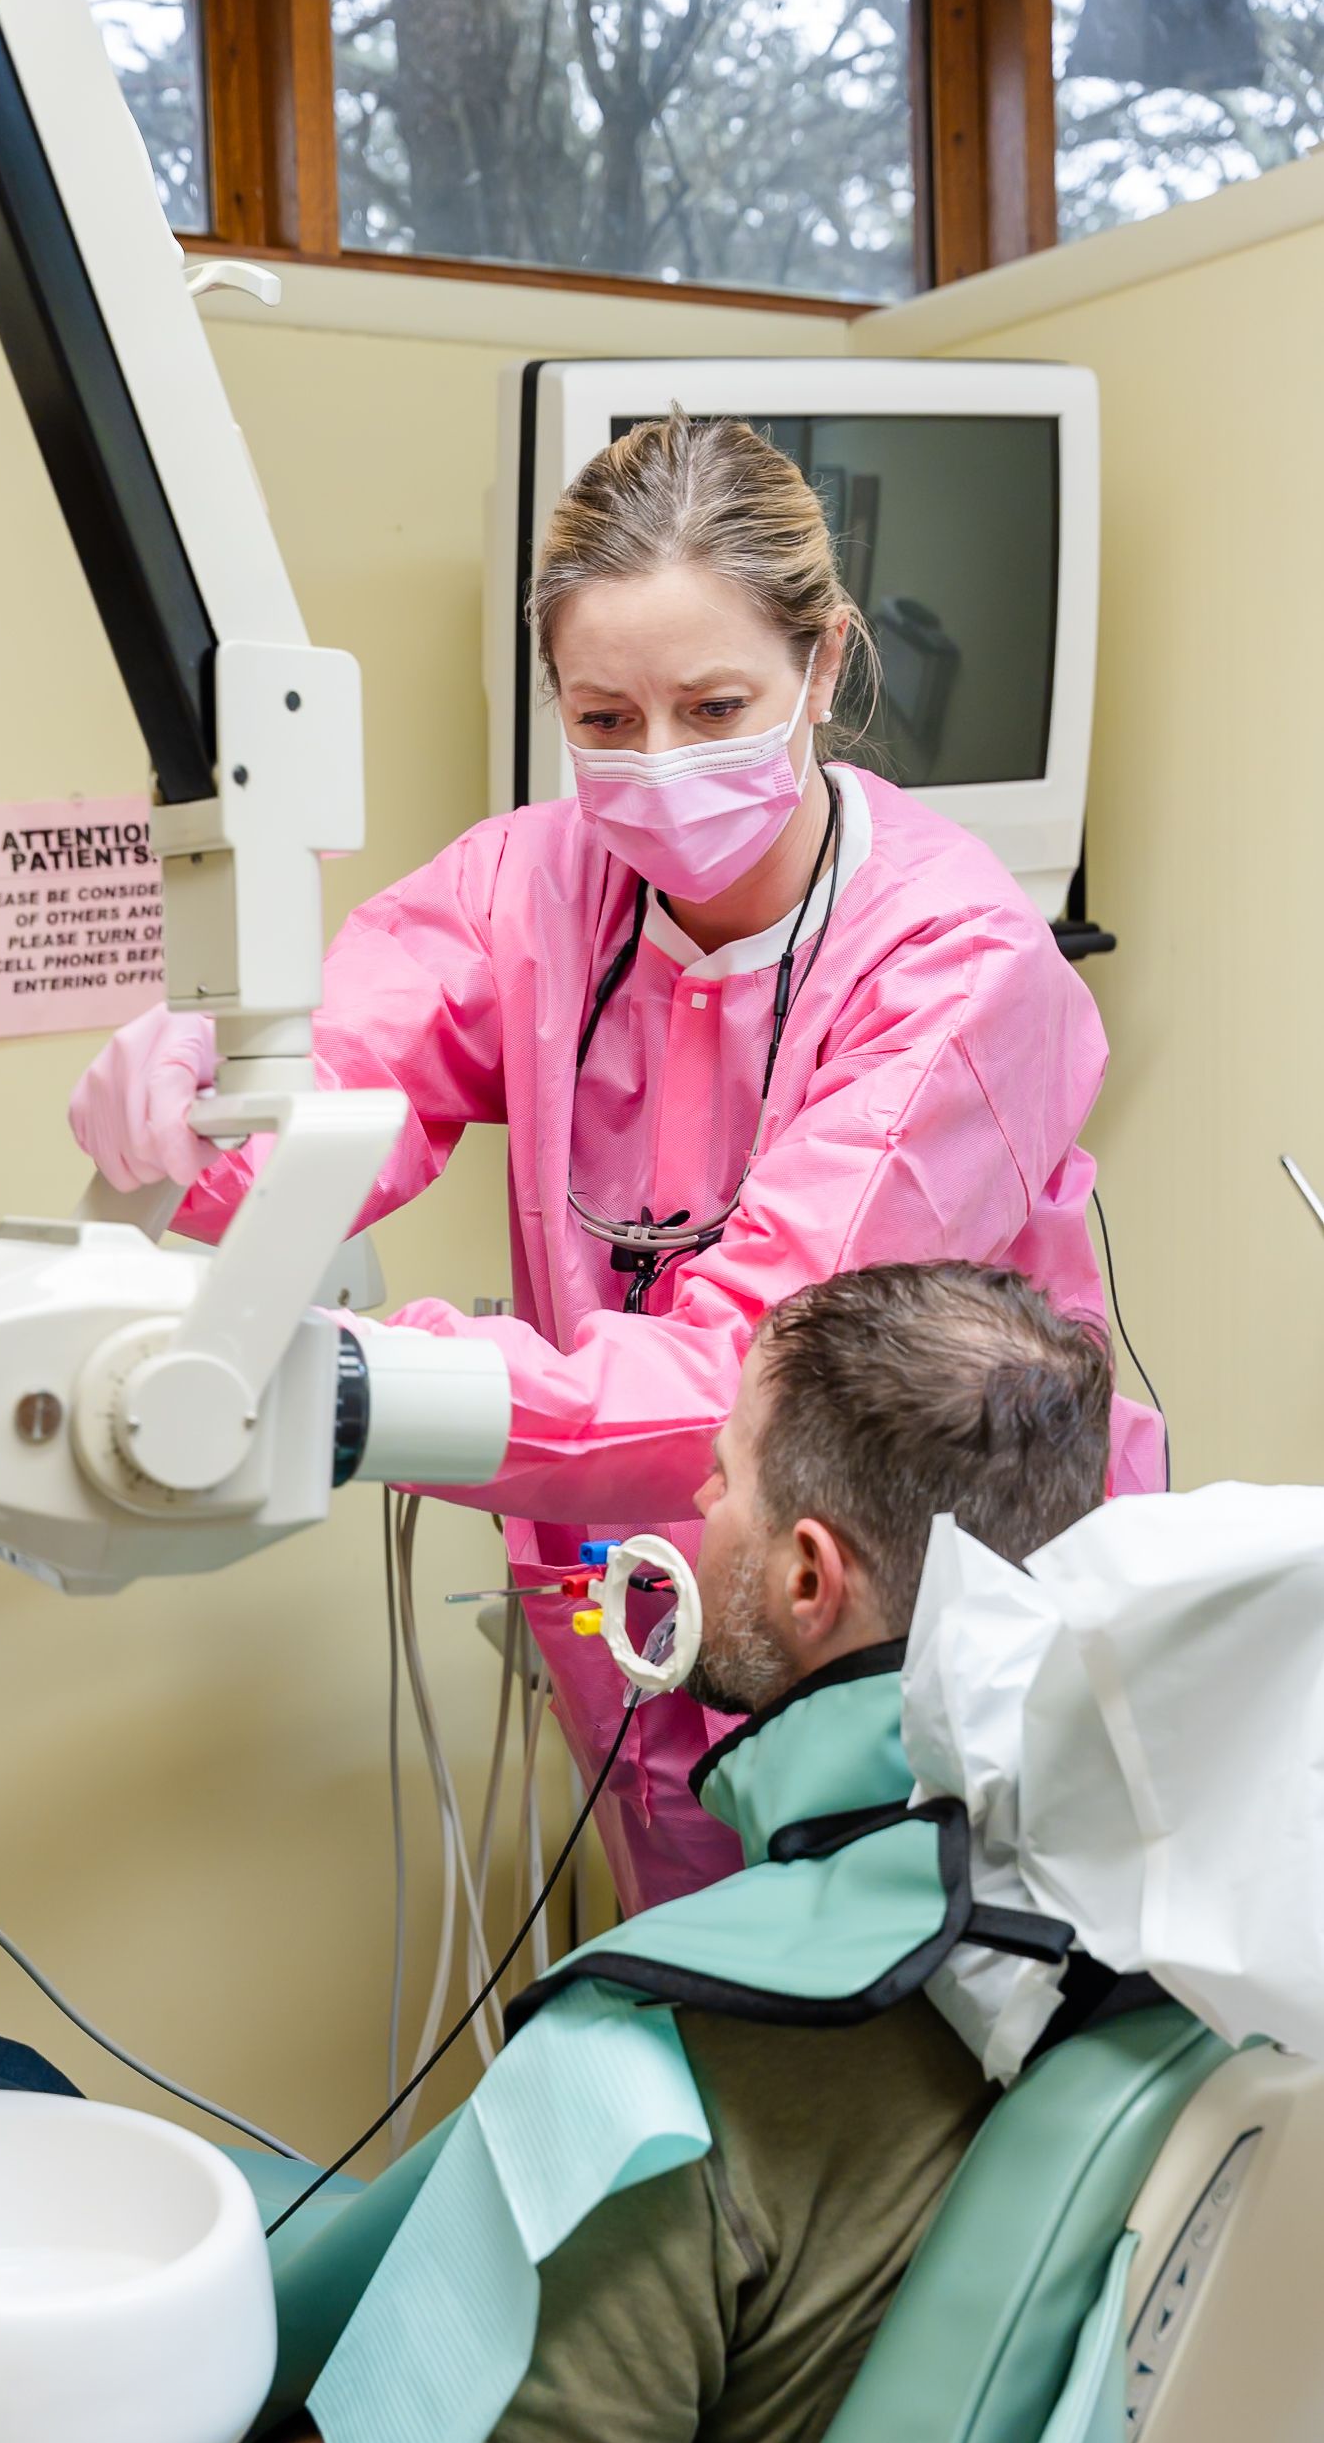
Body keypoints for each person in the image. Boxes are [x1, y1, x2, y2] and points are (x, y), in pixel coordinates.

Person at [0, 1262, 1116, 2443]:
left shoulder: (663, 2082)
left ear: (808, 1578)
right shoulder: (1131, 1920)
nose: (696, 1511)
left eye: (722, 1481)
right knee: (278, 2202)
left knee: (67, 2356)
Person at [69, 413, 1162, 1917]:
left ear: (825, 665)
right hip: (640, 1601)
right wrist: (206, 1101)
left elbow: (760, 1379)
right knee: (707, 1996)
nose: (656, 767)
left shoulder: (952, 963)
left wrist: (364, 1387)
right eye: (603, 717)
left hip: (933, 1618)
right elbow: (340, 1084)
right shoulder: (532, 885)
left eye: (715, 706)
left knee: (940, 2033)